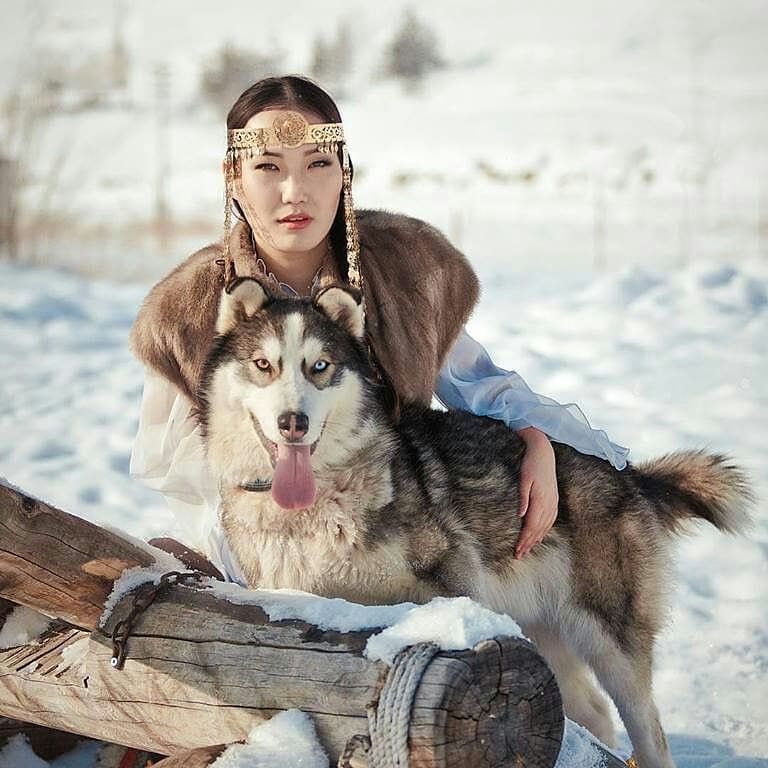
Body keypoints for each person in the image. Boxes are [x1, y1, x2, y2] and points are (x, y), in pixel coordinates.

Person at [129, 74, 628, 585]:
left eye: (317, 165)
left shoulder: (402, 269)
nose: (294, 192)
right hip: (256, 552)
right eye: (268, 167)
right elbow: (187, 477)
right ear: (233, 177)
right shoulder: (187, 310)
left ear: (344, 171)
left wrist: (537, 440)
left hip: (397, 543)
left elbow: (479, 384)